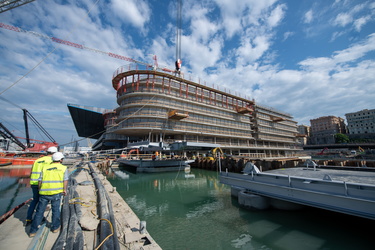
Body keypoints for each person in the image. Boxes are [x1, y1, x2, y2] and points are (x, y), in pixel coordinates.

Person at [29, 152, 68, 237]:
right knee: (56, 210)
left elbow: (40, 180)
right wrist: (64, 190)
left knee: (39, 211)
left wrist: (40, 189)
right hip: (56, 193)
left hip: (44, 192)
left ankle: (33, 230)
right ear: (61, 160)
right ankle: (55, 227)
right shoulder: (63, 168)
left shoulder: (45, 167)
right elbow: (65, 180)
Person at [26, 146, 58, 226]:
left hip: (33, 183)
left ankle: (28, 219)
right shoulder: (52, 161)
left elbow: (32, 171)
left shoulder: (37, 160)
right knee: (42, 202)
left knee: (34, 200)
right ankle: (40, 218)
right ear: (55, 153)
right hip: (43, 184)